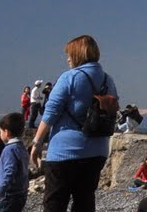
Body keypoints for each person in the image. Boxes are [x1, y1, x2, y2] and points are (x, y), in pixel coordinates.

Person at [31, 33, 120, 212]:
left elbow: (51, 111)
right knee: (85, 201)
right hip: (97, 151)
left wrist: (37, 142)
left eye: (69, 54)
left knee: (55, 202)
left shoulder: (69, 77)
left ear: (78, 54)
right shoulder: (107, 80)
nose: (68, 59)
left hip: (66, 151)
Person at [0, 112, 29, 212]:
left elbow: (10, 172)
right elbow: (17, 172)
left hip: (8, 195)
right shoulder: (21, 148)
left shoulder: (9, 150)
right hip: (21, 193)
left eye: (0, 132)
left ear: (6, 132)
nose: (0, 135)